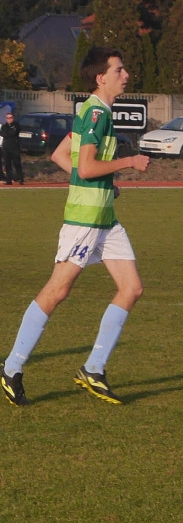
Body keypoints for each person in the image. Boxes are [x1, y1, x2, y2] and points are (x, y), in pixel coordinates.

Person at [1, 47, 151, 407]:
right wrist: (127, 161)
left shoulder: (92, 111)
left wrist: (103, 184)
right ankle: (11, 368)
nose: (125, 74)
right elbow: (83, 167)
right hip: (85, 221)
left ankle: (94, 369)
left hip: (104, 219)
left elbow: (59, 156)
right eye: (119, 69)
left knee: (131, 288)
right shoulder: (96, 113)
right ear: (102, 78)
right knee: (57, 291)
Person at [0, 111, 24, 185]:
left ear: (13, 118)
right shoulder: (4, 126)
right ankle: (9, 180)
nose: (9, 119)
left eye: (10, 118)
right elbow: (3, 134)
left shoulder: (16, 125)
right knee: (7, 164)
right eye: (7, 118)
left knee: (17, 163)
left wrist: (8, 133)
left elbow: (14, 133)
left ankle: (20, 178)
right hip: (6, 148)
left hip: (15, 147)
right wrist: (8, 133)